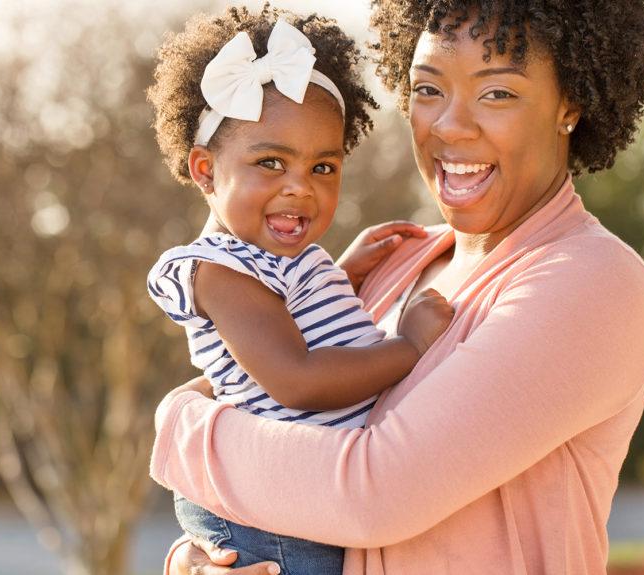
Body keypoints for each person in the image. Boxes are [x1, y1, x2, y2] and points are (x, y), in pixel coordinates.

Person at [154, 0, 644, 573]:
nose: (449, 125)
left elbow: (372, 493)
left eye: (497, 93)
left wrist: (175, 428)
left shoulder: (588, 283)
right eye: (428, 89)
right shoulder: (396, 259)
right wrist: (198, 559)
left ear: (569, 105)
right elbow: (248, 388)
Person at [145, 6, 454, 574]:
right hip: (273, 528)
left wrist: (340, 272)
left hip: (296, 504)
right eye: (270, 162)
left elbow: (291, 314)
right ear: (205, 170)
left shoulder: (271, 261)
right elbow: (297, 379)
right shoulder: (223, 273)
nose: (300, 189)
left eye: (323, 168)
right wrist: (407, 347)